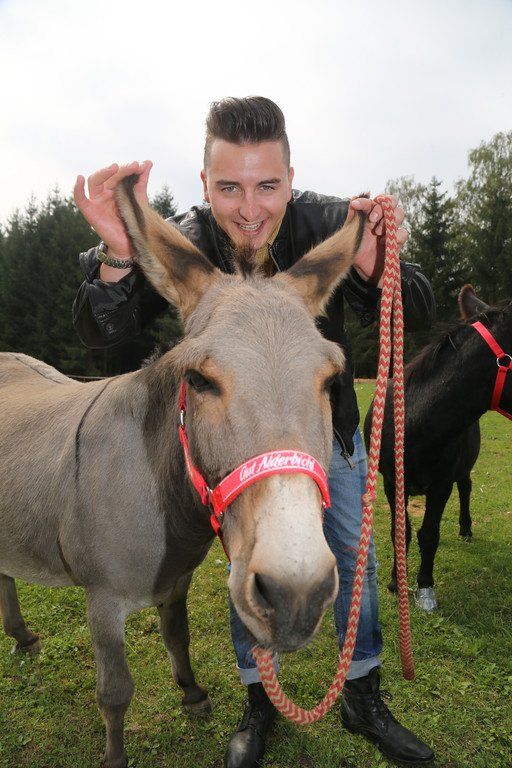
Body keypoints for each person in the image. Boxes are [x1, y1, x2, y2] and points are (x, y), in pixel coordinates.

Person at [73, 96, 436, 768]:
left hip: (326, 439)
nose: (248, 209)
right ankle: (259, 702)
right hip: (235, 451)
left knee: (353, 563)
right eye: (229, 188)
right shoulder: (187, 243)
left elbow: (414, 306)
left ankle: (363, 696)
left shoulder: (330, 224)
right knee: (245, 562)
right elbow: (100, 333)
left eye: (267, 186)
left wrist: (373, 266)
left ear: (291, 180)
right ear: (205, 184)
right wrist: (118, 259)